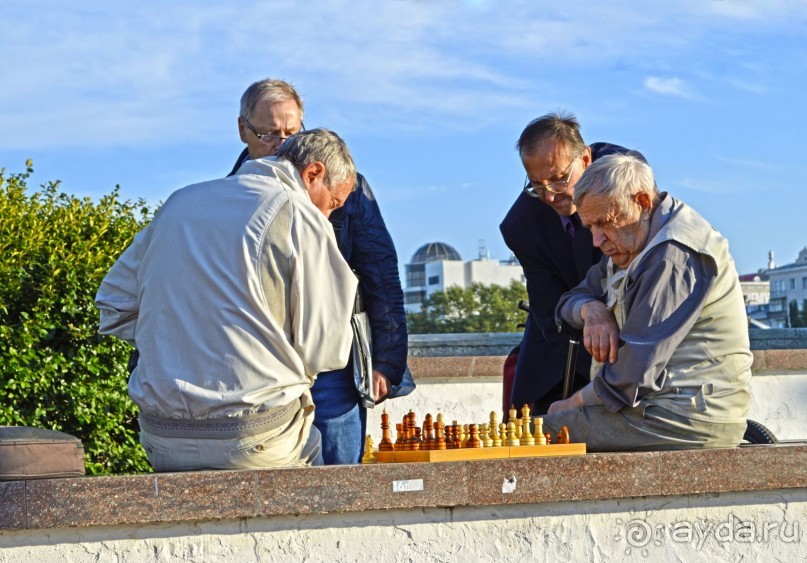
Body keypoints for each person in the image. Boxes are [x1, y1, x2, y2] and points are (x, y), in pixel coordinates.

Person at [95, 129, 359, 471]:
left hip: (161, 436)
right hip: (257, 435)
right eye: (333, 204)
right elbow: (326, 351)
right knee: (319, 508)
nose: (328, 216)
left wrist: (177, 341)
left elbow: (114, 305)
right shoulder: (299, 212)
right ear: (313, 174)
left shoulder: (179, 202)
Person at [230, 78, 408, 465]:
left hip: (333, 367)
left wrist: (388, 361)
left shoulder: (347, 186)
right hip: (259, 366)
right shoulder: (227, 194)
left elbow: (380, 272)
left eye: (292, 132)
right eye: (270, 134)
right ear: (243, 129)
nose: (283, 145)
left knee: (339, 482)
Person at [543, 154, 751, 451]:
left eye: (604, 223)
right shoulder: (630, 240)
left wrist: (572, 404)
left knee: (538, 435)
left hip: (684, 417)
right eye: (590, 227)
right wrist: (591, 310)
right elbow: (568, 301)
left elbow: (634, 374)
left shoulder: (671, 255)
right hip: (657, 408)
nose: (596, 241)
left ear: (641, 202)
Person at [500, 111, 644, 414]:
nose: (550, 196)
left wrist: (610, 379)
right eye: (537, 185)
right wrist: (589, 313)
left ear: (586, 159)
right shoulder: (520, 225)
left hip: (630, 337)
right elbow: (546, 304)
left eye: (558, 179)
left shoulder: (623, 176)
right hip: (556, 350)